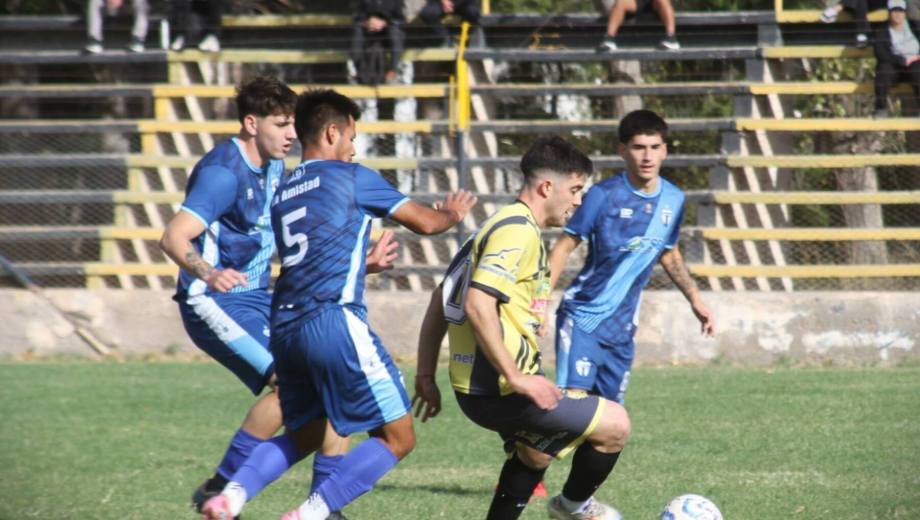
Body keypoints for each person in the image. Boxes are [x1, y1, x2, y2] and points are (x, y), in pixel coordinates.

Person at [201, 88, 477, 520]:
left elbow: (310, 256)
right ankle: (313, 512)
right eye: (352, 136)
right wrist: (453, 213)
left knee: (307, 431)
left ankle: (230, 496)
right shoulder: (352, 176)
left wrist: (361, 264)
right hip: (332, 319)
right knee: (398, 438)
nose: (354, 147)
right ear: (332, 132)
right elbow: (426, 223)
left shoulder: (285, 191)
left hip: (287, 328)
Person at [160, 77, 392, 519]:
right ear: (251, 123)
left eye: (293, 124)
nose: (291, 134)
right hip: (214, 301)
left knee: (325, 380)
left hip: (261, 299)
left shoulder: (275, 168)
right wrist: (211, 273)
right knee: (290, 388)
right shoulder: (223, 173)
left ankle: (321, 503)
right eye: (282, 124)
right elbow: (174, 237)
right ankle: (223, 486)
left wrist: (362, 265)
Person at [414, 136, 631, 520]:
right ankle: (573, 507)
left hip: (476, 388)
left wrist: (426, 374)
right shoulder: (518, 231)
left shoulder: (495, 224)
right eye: (576, 189)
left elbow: (440, 299)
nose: (579, 201)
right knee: (615, 425)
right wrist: (517, 377)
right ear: (547, 187)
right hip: (500, 389)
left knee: (536, 452)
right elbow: (476, 302)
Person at [547, 110, 714, 437]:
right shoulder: (602, 196)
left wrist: (696, 299)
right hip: (583, 317)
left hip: (623, 329)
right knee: (572, 407)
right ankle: (526, 476)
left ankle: (579, 491)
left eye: (655, 147)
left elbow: (669, 253)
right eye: (639, 147)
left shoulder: (674, 199)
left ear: (666, 149)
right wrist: (540, 303)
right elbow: (563, 247)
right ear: (622, 150)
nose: (647, 156)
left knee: (611, 421)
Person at [873, 0, 920, 117]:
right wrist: (902, 61)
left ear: (905, 13)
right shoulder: (881, 30)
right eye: (894, 11)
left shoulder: (915, 27)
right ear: (889, 13)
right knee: (883, 71)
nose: (898, 14)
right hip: (893, 65)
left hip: (914, 62)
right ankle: (881, 108)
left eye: (900, 11)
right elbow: (881, 53)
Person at [351, 0, 406, 85]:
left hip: (388, 30)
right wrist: (367, 22)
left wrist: (384, 23)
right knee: (357, 32)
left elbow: (400, 19)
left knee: (395, 33)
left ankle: (392, 70)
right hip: (368, 29)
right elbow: (356, 17)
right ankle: (358, 71)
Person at [597, 0, 679, 52]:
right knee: (621, 2)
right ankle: (609, 38)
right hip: (638, 2)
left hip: (658, 3)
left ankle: (671, 37)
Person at [84, 0, 149, 53]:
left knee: (140, 2)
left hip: (128, 7)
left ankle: (137, 40)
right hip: (107, 6)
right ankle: (95, 41)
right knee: (94, 1)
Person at [820, 0, 887, 47]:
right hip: (860, 4)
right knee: (860, 2)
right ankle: (862, 35)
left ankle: (835, 9)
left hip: (881, 3)